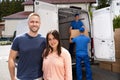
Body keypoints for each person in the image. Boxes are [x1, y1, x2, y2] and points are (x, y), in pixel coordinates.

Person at [8, 13, 46, 80]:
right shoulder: (18, 39)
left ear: (40, 24)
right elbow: (11, 59)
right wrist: (12, 77)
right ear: (28, 23)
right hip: (21, 78)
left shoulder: (44, 40)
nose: (34, 24)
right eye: (32, 22)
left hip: (39, 78)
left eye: (37, 22)